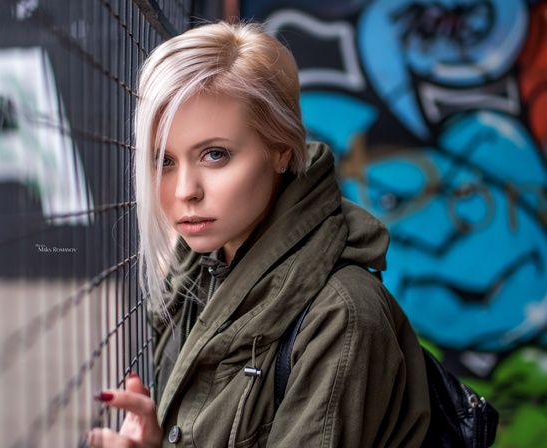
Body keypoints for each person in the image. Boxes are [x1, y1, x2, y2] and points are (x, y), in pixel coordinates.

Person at [86, 21, 431, 447]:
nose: (184, 192)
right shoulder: (197, 273)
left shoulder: (340, 317)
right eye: (165, 161)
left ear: (281, 150)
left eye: (215, 155)